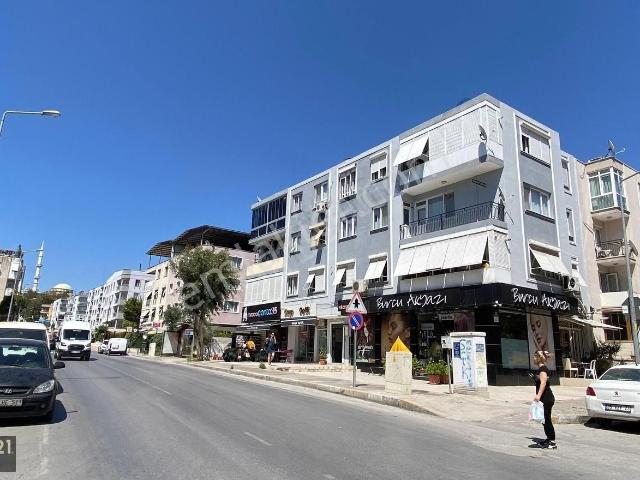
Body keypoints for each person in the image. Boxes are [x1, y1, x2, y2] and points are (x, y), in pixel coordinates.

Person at [533, 350, 556, 449]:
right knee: (544, 420)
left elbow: (543, 383)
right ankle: (548, 438)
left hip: (546, 398)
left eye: (535, 356)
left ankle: (552, 442)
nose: (533, 358)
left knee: (547, 420)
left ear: (538, 358)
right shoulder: (541, 369)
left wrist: (538, 396)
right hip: (544, 398)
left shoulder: (543, 369)